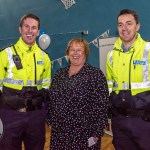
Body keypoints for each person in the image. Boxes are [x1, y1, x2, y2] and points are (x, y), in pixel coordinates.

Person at [46, 38, 109, 150]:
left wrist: (97, 133)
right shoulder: (59, 74)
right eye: (72, 50)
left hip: (85, 134)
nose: (75, 53)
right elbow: (51, 99)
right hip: (60, 133)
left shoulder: (95, 75)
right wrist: (50, 120)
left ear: (85, 53)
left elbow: (102, 105)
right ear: (67, 53)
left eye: (79, 50)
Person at [0, 13, 51, 150]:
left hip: (36, 116)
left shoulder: (44, 58)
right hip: (10, 115)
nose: (30, 31)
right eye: (26, 26)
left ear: (38, 32)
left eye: (33, 28)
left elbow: (46, 86)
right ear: (20, 29)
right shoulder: (5, 55)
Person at [106, 9, 150, 150]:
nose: (124, 28)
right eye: (120, 25)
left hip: (144, 122)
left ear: (137, 26)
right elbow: (110, 87)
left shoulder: (148, 50)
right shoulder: (111, 55)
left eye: (129, 23)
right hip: (119, 122)